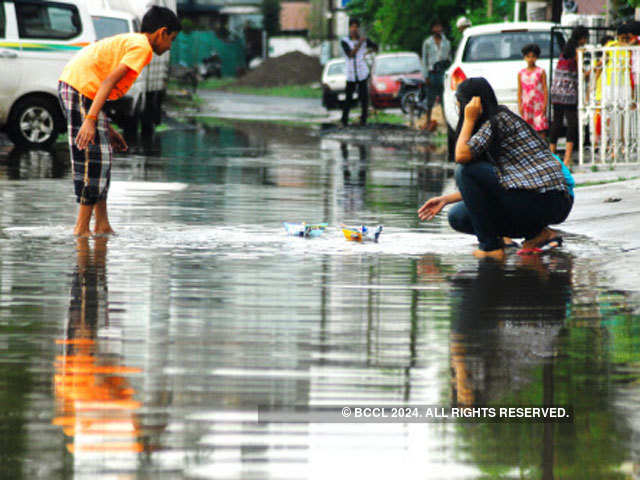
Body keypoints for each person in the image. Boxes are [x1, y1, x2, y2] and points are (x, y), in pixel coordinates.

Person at [417, 78, 573, 261]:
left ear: (472, 105)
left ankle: (490, 247)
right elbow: (494, 183)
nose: (459, 110)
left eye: (460, 104)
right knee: (458, 216)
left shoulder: (497, 120)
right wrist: (445, 199)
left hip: (552, 200)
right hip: (535, 199)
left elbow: (461, 156)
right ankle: (537, 234)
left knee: (465, 170)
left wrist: (468, 120)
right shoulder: (491, 125)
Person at [58, 6, 181, 237]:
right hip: (79, 89)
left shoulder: (135, 42)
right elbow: (106, 83)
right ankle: (81, 228)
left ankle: (102, 224)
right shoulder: (142, 48)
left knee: (103, 157)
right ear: (161, 32)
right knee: (92, 159)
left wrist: (106, 126)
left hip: (82, 89)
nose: (170, 46)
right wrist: (91, 120)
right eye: (171, 39)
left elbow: (100, 84)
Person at [549, 26, 588, 167]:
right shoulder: (577, 52)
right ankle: (567, 158)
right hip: (569, 91)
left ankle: (551, 155)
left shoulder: (565, 50)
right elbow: (583, 73)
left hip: (557, 90)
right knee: (572, 123)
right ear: (582, 38)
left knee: (556, 122)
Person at [340, 19, 378, 127]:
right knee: (348, 97)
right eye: (352, 27)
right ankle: (344, 120)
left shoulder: (364, 40)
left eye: (356, 27)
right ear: (349, 28)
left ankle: (363, 120)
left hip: (362, 72)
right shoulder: (345, 41)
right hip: (351, 73)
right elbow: (350, 54)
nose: (354, 29)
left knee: (364, 97)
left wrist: (367, 51)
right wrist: (359, 44)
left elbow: (376, 47)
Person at [422, 20, 451, 131]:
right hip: (432, 73)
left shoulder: (446, 42)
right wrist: (426, 76)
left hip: (442, 73)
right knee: (430, 99)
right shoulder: (428, 43)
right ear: (432, 29)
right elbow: (425, 59)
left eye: (439, 27)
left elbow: (449, 58)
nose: (438, 29)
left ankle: (446, 122)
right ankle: (428, 121)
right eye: (435, 27)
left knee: (444, 99)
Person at [518, 43, 548, 138]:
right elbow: (520, 90)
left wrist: (545, 104)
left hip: (538, 104)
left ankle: (542, 148)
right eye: (528, 56)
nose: (530, 59)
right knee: (527, 128)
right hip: (527, 104)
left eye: (533, 56)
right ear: (524, 57)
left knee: (540, 127)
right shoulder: (521, 73)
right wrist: (520, 105)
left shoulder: (540, 71)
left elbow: (544, 88)